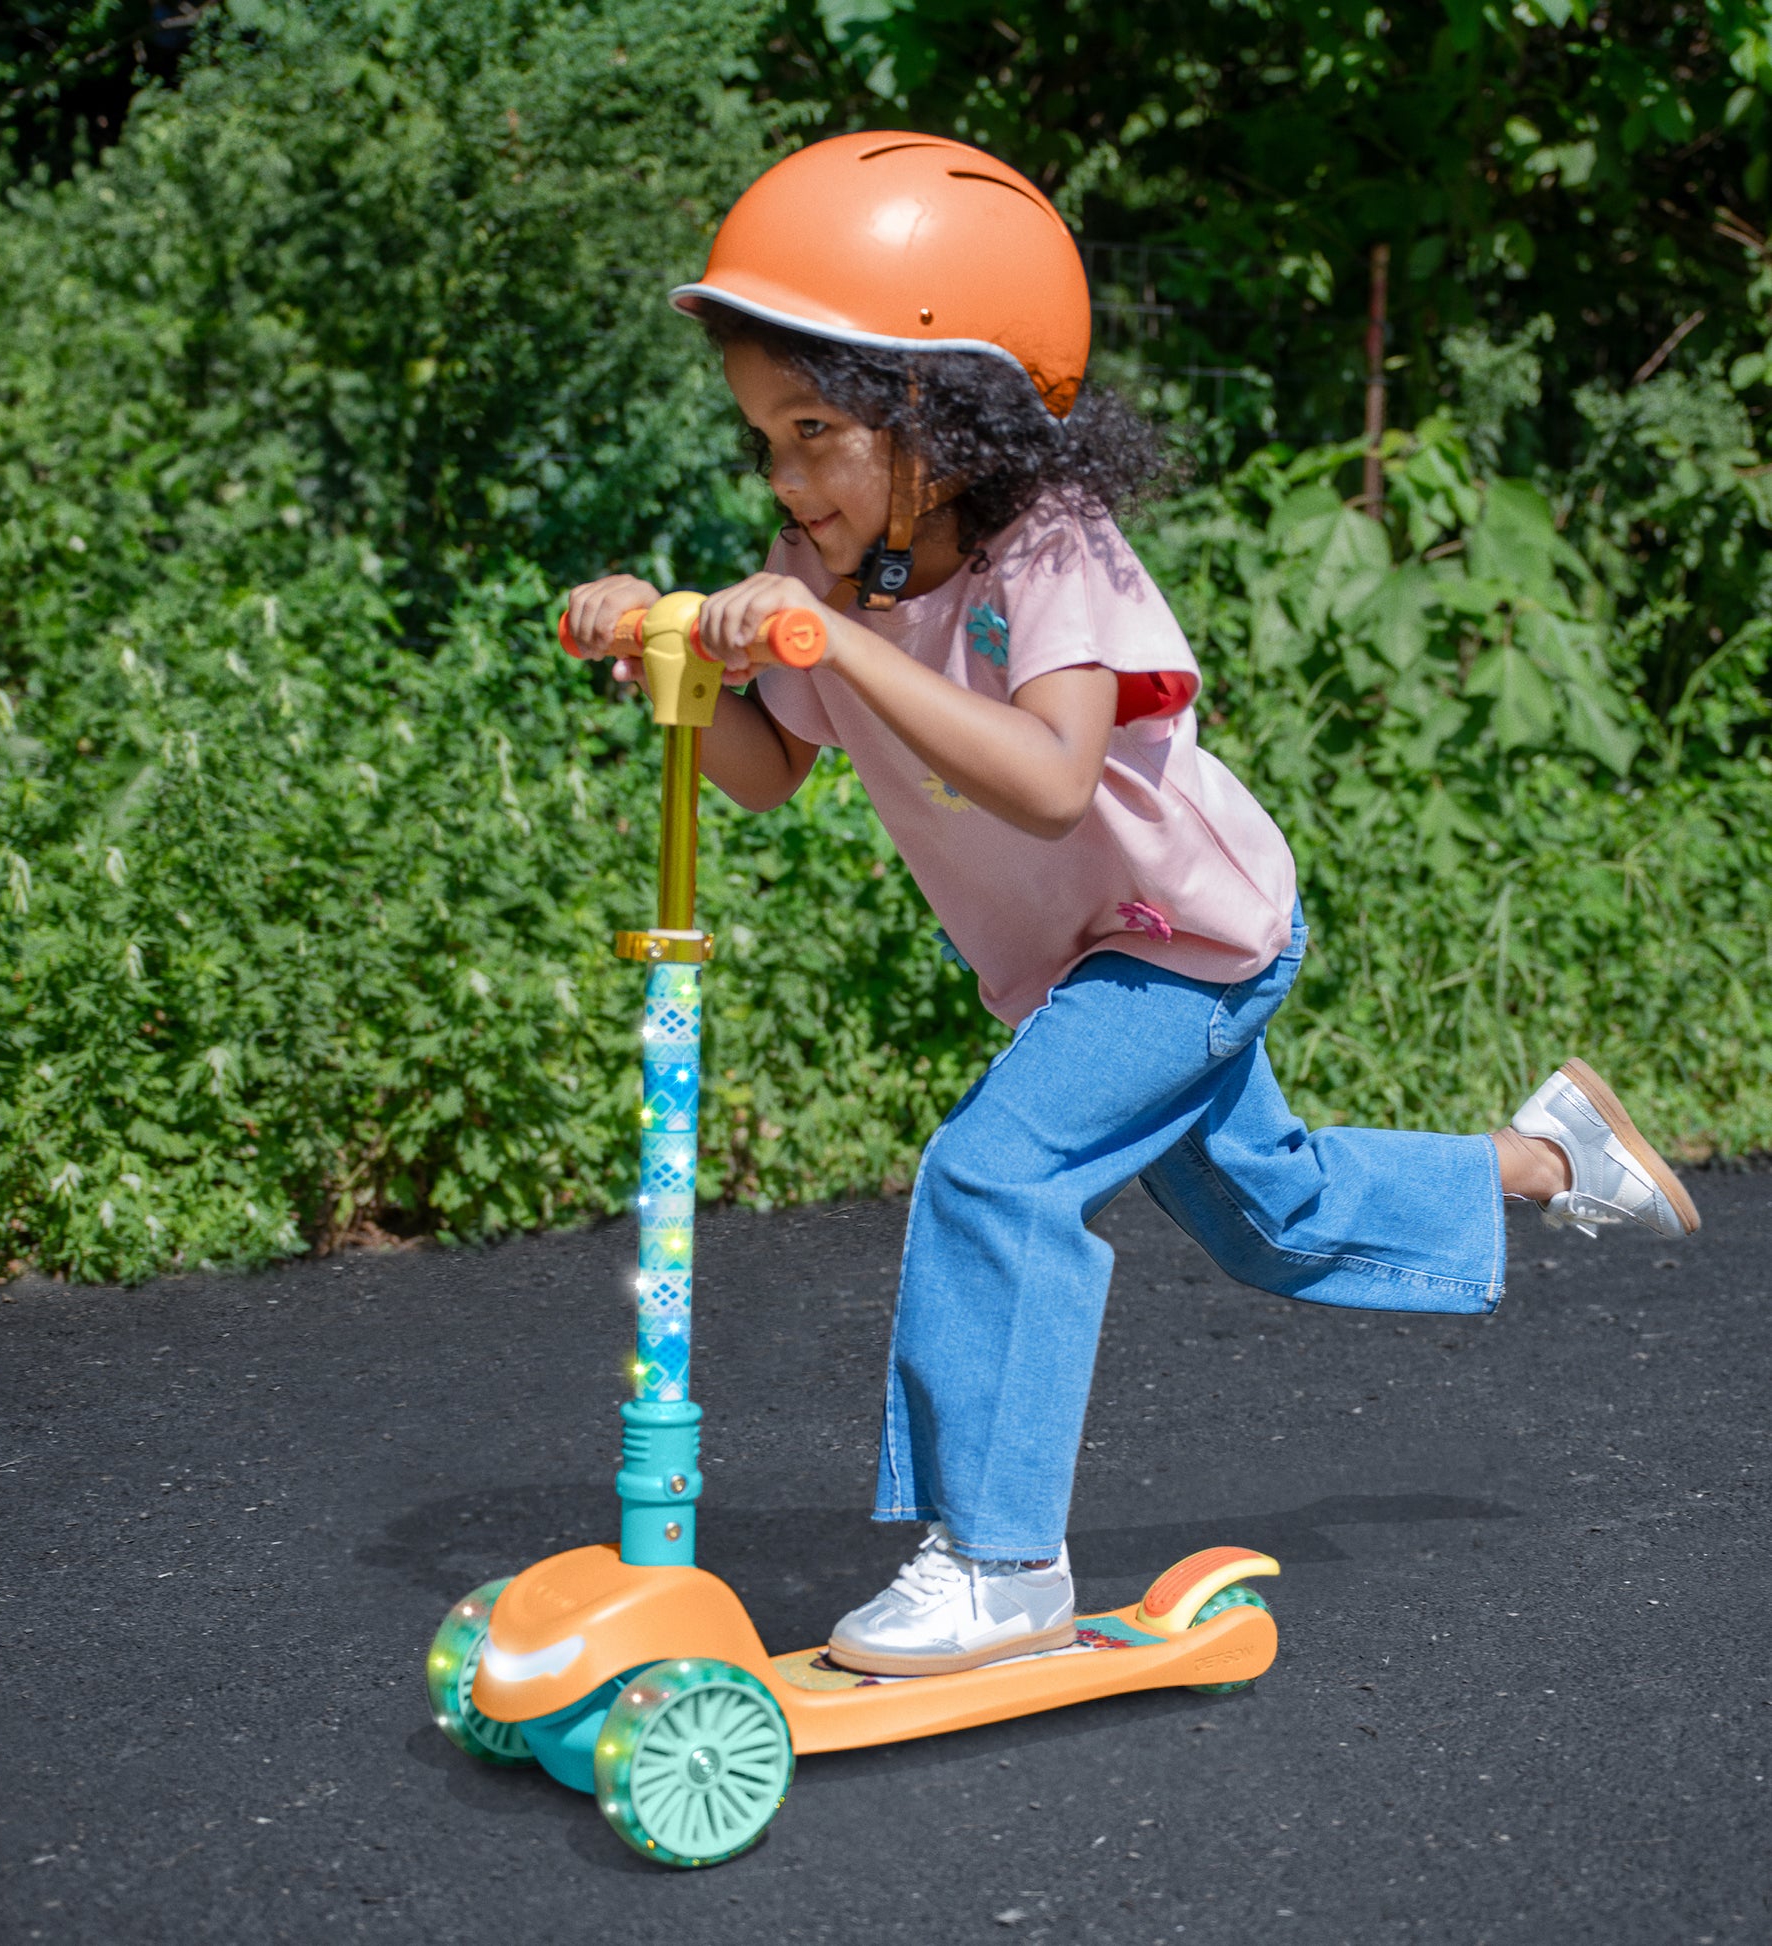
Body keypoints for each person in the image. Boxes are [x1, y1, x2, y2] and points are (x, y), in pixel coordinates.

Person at [563, 133, 1701, 1678]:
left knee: (992, 1172)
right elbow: (767, 771)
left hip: (1184, 940)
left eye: (814, 429)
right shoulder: (829, 576)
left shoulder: (1054, 554)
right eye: (762, 434)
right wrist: (671, 660)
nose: (782, 476)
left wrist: (841, 644)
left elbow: (1048, 775)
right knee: (1273, 1217)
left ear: (938, 411)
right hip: (1080, 962)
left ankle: (999, 1558)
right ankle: (1551, 1149)